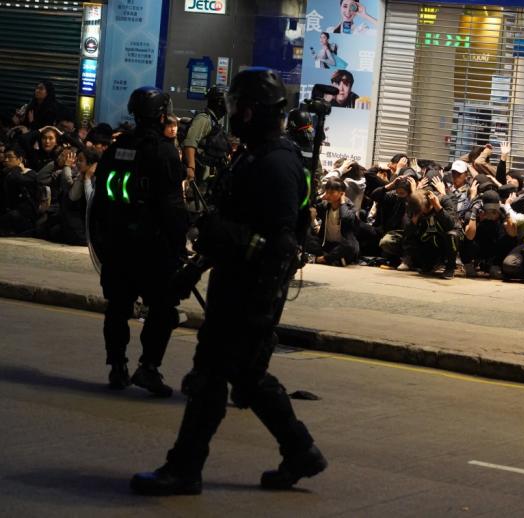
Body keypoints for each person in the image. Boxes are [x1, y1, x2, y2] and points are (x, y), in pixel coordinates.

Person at [131, 68, 326, 495]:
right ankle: (300, 451)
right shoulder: (254, 154)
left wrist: (227, 238)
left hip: (250, 294)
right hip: (235, 286)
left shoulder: (276, 163)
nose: (234, 113)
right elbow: (234, 225)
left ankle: (184, 469)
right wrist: (195, 268)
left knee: (210, 378)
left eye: (239, 106)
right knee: (248, 378)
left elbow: (279, 245)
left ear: (254, 111)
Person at [88, 87, 189, 396]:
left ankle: (117, 367)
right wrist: (180, 244)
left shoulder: (118, 148)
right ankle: (148, 368)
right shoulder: (164, 151)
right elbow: (173, 206)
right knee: (163, 309)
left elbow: (100, 201)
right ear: (161, 115)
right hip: (154, 249)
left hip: (118, 245)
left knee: (117, 306)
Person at [182, 86, 230, 190]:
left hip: (209, 180)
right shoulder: (203, 119)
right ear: (220, 103)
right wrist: (191, 167)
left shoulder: (214, 122)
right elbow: (190, 142)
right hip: (199, 180)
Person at [308, 177, 359, 266]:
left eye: (331, 193)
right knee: (307, 238)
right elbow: (310, 205)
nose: (328, 195)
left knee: (349, 246)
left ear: (342, 193)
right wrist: (320, 197)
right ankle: (334, 259)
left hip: (341, 245)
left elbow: (346, 218)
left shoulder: (350, 206)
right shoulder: (325, 206)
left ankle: (323, 258)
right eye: (327, 192)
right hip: (327, 244)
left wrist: (342, 202)